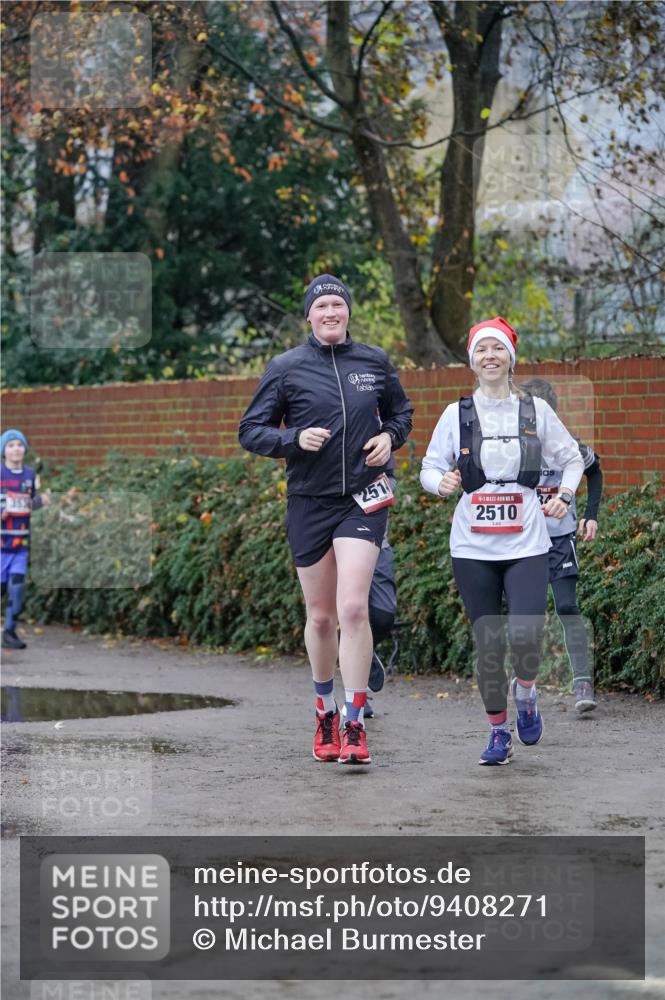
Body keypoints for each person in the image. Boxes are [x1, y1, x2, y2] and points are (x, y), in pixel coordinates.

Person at [239, 275, 413, 765]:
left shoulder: (373, 361)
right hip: (309, 501)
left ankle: (354, 723)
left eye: (338, 304)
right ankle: (324, 710)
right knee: (320, 616)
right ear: (310, 316)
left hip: (362, 497)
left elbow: (401, 412)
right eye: (322, 306)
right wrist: (292, 439)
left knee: (354, 608)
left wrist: (390, 438)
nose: (331, 312)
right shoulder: (285, 368)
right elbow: (250, 430)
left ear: (348, 312)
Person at [420, 317, 584, 766]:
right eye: (481, 351)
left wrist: (565, 495)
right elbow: (428, 467)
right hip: (472, 545)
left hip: (527, 541)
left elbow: (572, 459)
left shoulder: (534, 411)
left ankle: (526, 693)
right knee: (489, 642)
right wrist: (443, 482)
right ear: (471, 362)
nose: (489, 357)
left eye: (497, 350)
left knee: (527, 636)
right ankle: (497, 733)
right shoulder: (457, 414)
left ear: (510, 359)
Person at [519, 377, 603, 713]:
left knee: (566, 606)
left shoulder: (568, 446)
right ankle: (524, 685)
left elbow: (594, 470)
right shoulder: (509, 447)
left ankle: (582, 680)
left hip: (559, 539)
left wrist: (590, 515)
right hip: (522, 543)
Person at [1, 429, 50, 649]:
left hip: (21, 543)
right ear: (4, 451)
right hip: (1, 544)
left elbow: (29, 504)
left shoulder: (30, 474)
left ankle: (9, 632)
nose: (16, 449)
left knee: (17, 588)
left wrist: (43, 501)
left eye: (19, 445)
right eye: (10, 445)